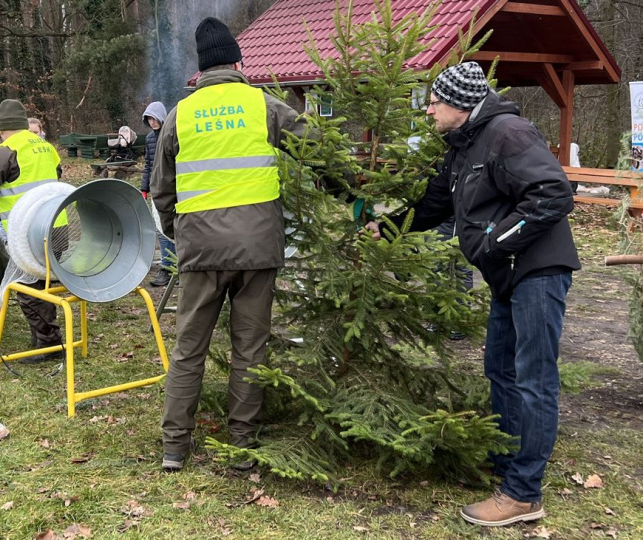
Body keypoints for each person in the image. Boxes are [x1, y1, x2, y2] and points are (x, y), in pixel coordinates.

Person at [363, 62, 580, 527]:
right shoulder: (462, 146)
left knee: (533, 377)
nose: (429, 110)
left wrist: (495, 242)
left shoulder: (508, 133)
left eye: (435, 102)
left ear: (460, 105)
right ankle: (507, 466)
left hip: (538, 270)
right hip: (509, 275)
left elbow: (553, 194)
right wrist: (388, 225)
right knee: (499, 369)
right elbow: (435, 203)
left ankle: (524, 495)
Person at [151, 17, 309, 473]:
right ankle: (243, 444)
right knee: (250, 350)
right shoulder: (265, 106)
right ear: (240, 62)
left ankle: (175, 447)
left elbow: (162, 191)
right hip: (258, 252)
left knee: (188, 349)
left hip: (200, 252)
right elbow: (317, 150)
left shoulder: (181, 114)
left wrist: (182, 234)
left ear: (200, 71)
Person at [0, 99, 64, 364]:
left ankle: (49, 343)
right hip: (58, 225)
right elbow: (55, 173)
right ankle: (44, 338)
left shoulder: (7, 149)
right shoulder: (46, 146)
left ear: (2, 128)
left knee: (25, 286)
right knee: (42, 282)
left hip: (28, 231)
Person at [140, 101, 173, 288]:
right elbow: (148, 165)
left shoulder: (172, 134)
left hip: (172, 190)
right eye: (149, 119)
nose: (153, 122)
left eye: (154, 118)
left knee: (174, 228)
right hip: (156, 190)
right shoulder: (149, 139)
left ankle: (177, 265)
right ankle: (167, 267)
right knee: (160, 229)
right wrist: (144, 189)